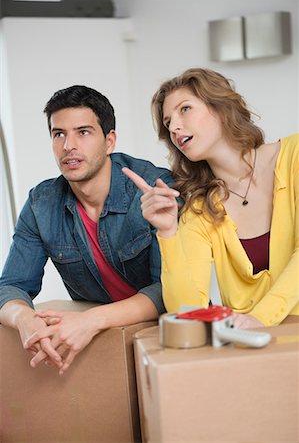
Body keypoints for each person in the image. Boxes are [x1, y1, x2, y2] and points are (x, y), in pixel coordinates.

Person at [0, 85, 173, 375]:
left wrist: (92, 320)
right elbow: (10, 286)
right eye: (59, 134)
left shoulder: (153, 187)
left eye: (83, 132)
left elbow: (169, 290)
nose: (69, 146)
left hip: (166, 335)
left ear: (109, 141)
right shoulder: (42, 204)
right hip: (102, 345)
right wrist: (24, 317)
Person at [123, 67, 299, 329]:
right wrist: (168, 232)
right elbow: (187, 308)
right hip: (258, 346)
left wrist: (260, 318)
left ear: (219, 105)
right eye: (168, 122)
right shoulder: (200, 208)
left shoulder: (294, 155)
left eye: (185, 109)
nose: (174, 127)